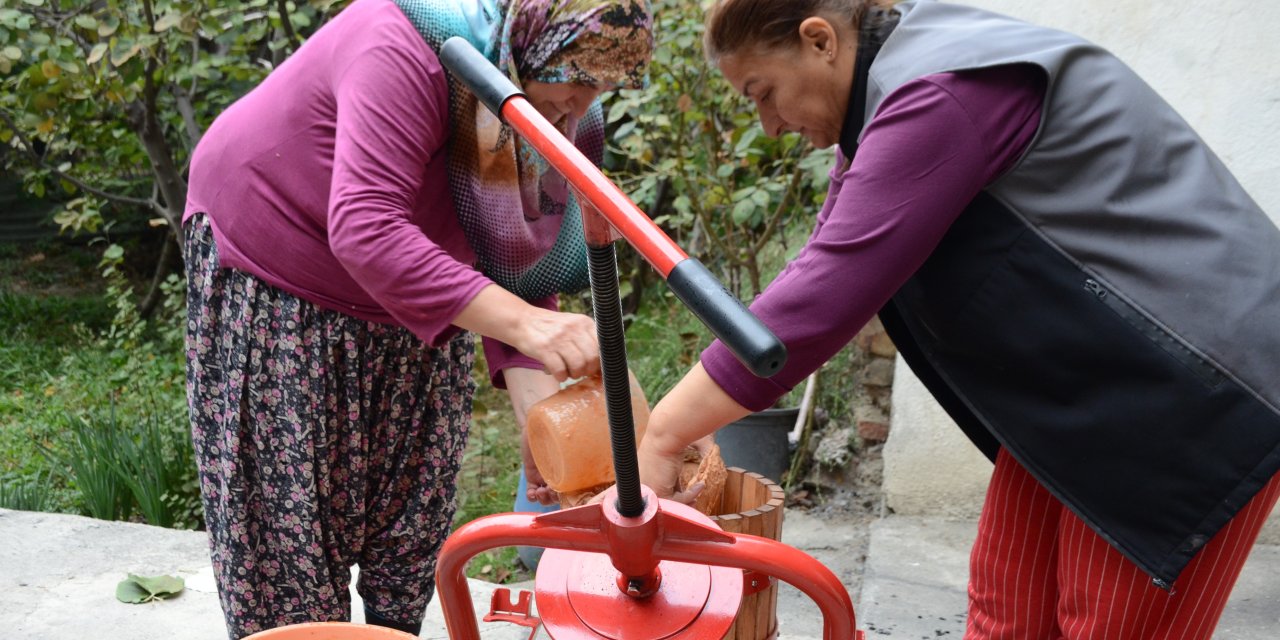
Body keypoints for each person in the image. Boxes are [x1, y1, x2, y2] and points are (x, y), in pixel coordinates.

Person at [636, 1, 1280, 638]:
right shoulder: (889, 101)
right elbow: (813, 268)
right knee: (1008, 611)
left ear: (819, 41)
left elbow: (827, 296)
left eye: (763, 92)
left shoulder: (941, 91)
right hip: (1086, 383)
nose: (768, 124)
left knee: (1109, 624)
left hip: (1197, 390)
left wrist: (665, 434)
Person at [182, 0, 653, 636]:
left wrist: (541, 420)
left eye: (602, 86)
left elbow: (522, 259)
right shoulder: (402, 44)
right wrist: (525, 326)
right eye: (578, 79)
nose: (583, 106)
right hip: (279, 268)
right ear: (533, 40)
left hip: (418, 288)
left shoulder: (562, 104)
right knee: (292, 544)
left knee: (408, 528)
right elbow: (368, 227)